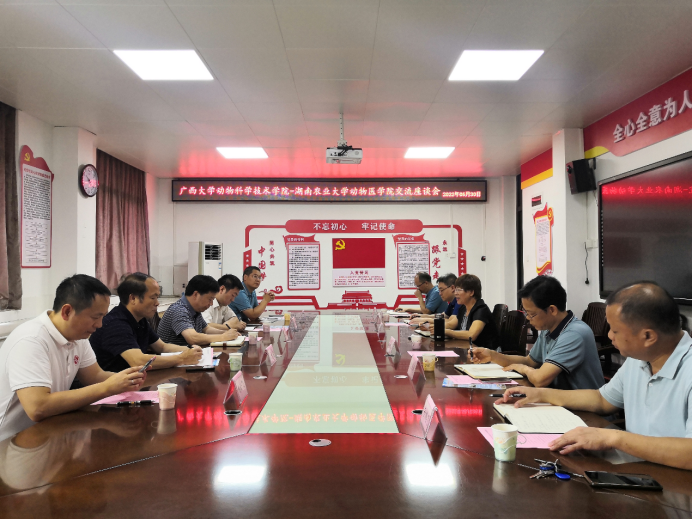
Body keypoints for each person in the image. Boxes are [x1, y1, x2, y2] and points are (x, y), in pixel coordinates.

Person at [497, 282, 692, 471]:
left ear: (648, 336)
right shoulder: (639, 359)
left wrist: (613, 438)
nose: (610, 336)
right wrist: (541, 395)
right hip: (637, 468)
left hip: (677, 481)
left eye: (615, 330)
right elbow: (601, 399)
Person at [0, 275, 148, 442]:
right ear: (67, 312)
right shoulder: (31, 340)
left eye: (103, 317)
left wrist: (126, 379)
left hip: (49, 432)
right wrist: (107, 388)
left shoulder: (78, 336)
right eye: (95, 317)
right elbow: (38, 407)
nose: (100, 325)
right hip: (10, 441)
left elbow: (94, 376)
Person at [473, 276, 603, 390]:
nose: (527, 318)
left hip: (581, 409)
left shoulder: (574, 334)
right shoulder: (549, 328)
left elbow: (540, 379)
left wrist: (522, 369)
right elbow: (530, 361)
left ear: (552, 310)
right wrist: (492, 355)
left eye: (531, 314)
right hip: (557, 400)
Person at [90, 273, 204, 373]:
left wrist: (190, 350)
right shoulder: (115, 323)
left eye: (157, 297)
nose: (157, 303)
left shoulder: (140, 319)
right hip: (112, 386)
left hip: (134, 380)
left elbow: (162, 347)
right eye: (153, 298)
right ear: (133, 298)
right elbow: (138, 361)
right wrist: (182, 358)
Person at [157, 275, 239, 346]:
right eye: (210, 299)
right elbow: (193, 338)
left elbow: (206, 329)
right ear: (196, 294)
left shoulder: (195, 310)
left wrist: (226, 332)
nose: (211, 304)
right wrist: (223, 337)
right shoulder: (179, 310)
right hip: (173, 356)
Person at [444, 274, 499, 349]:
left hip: (485, 352)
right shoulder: (463, 308)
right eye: (455, 290)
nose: (455, 293)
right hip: (468, 349)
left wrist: (446, 332)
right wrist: (435, 327)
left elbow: (471, 335)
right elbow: (451, 324)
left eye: (459, 290)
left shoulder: (481, 309)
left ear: (471, 292)